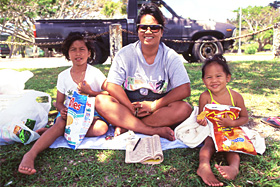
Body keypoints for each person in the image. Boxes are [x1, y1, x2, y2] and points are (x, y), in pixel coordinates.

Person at [95, 3, 192, 141]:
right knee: (101, 101)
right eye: (143, 27)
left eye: (154, 28)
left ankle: (127, 125)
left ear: (161, 31)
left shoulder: (171, 56)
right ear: (137, 30)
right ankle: (149, 130)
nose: (148, 31)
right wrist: (130, 108)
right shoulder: (125, 54)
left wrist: (153, 106)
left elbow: (184, 89)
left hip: (158, 107)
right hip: (129, 106)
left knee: (184, 108)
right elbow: (112, 85)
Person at [18, 32, 109, 175]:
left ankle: (54, 132)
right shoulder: (63, 76)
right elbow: (58, 102)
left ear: (89, 53)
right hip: (69, 116)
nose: (78, 53)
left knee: (102, 129)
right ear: (67, 53)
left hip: (90, 115)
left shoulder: (95, 73)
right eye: (73, 49)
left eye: (82, 49)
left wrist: (91, 92)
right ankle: (31, 154)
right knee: (61, 123)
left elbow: (108, 94)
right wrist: (63, 110)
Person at [196, 54, 249, 186]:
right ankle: (203, 166)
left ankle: (234, 167)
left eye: (218, 76)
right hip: (211, 129)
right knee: (208, 144)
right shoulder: (205, 96)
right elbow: (201, 114)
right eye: (209, 77)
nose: (214, 80)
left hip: (230, 129)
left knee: (232, 148)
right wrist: (201, 119)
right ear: (204, 80)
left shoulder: (236, 97)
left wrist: (232, 123)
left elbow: (245, 118)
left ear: (228, 78)